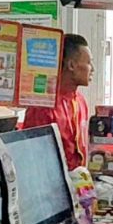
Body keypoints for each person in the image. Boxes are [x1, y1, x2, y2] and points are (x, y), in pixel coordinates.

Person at [23, 34, 93, 169]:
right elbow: (34, 157)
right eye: (89, 62)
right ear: (71, 65)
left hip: (79, 179)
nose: (92, 69)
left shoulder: (80, 101)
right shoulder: (43, 106)